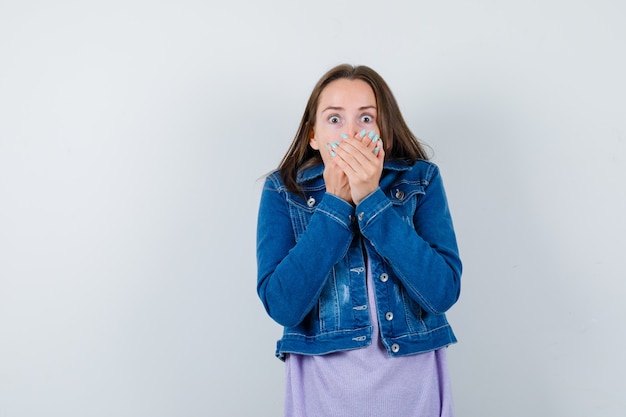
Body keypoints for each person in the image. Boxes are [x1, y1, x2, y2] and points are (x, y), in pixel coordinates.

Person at [256, 64, 462, 417]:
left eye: (366, 119)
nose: (351, 133)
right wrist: (335, 206)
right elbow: (283, 306)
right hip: (322, 388)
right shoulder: (282, 190)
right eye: (334, 120)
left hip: (413, 384)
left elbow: (442, 292)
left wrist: (372, 201)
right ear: (313, 136)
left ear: (385, 130)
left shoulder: (422, 180)